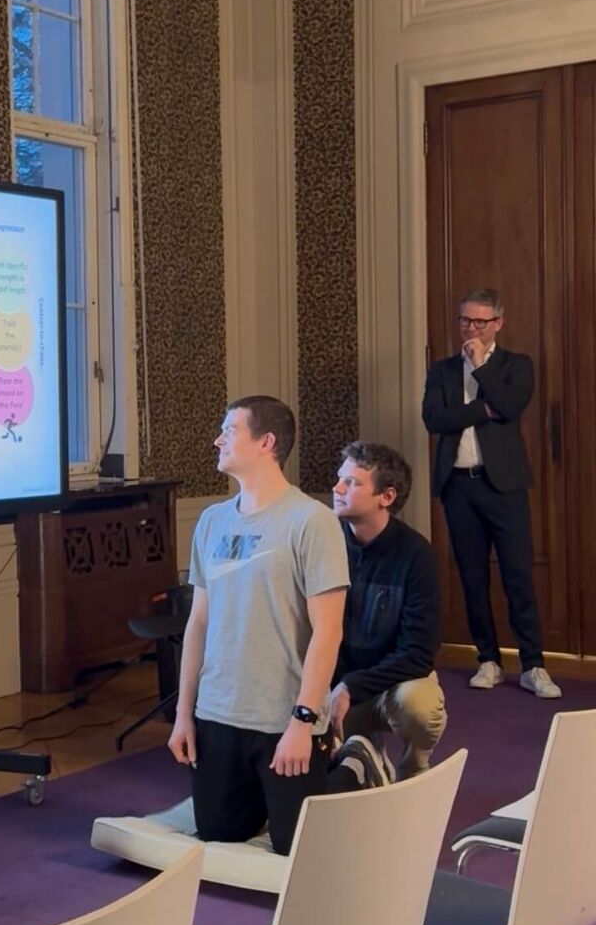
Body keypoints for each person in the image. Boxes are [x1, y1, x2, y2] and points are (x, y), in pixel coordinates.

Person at [167, 395, 348, 855]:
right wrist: (184, 714)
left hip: (285, 717)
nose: (218, 440)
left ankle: (349, 768)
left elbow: (328, 632)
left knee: (295, 847)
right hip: (218, 713)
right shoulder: (211, 521)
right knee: (218, 833)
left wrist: (304, 721)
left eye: (229, 431)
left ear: (266, 442)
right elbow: (198, 623)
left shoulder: (312, 521)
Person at [422, 286, 560, 698]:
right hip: (458, 486)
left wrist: (481, 368)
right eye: (465, 320)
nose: (471, 328)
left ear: (498, 323)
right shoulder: (443, 370)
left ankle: (533, 665)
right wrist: (483, 409)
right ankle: (487, 659)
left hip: (504, 486)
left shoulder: (516, 365)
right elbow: (434, 420)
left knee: (518, 574)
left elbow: (510, 406)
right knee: (472, 575)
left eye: (480, 322)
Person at [326, 442, 447, 791]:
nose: (337, 488)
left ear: (386, 496)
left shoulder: (416, 555)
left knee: (419, 707)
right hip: (332, 687)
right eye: (340, 479)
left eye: (352, 483)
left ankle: (413, 768)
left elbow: (418, 654)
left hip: (388, 686)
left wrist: (352, 686)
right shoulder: (323, 543)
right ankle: (366, 752)